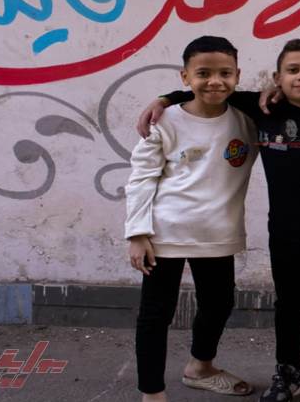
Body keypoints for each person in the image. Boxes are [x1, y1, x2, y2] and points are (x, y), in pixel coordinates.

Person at [138, 38, 300, 402]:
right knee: (289, 308)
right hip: (285, 233)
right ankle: (289, 375)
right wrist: (164, 99)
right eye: (293, 70)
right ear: (276, 78)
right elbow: (209, 89)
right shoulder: (263, 110)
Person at [126, 35, 257, 402]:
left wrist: (166, 95)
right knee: (156, 314)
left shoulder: (248, 120)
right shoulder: (165, 120)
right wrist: (137, 233)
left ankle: (200, 368)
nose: (214, 81)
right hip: (164, 234)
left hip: (218, 233)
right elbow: (141, 177)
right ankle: (152, 393)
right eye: (203, 73)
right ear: (185, 77)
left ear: (237, 75)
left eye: (225, 73)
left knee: (219, 305)